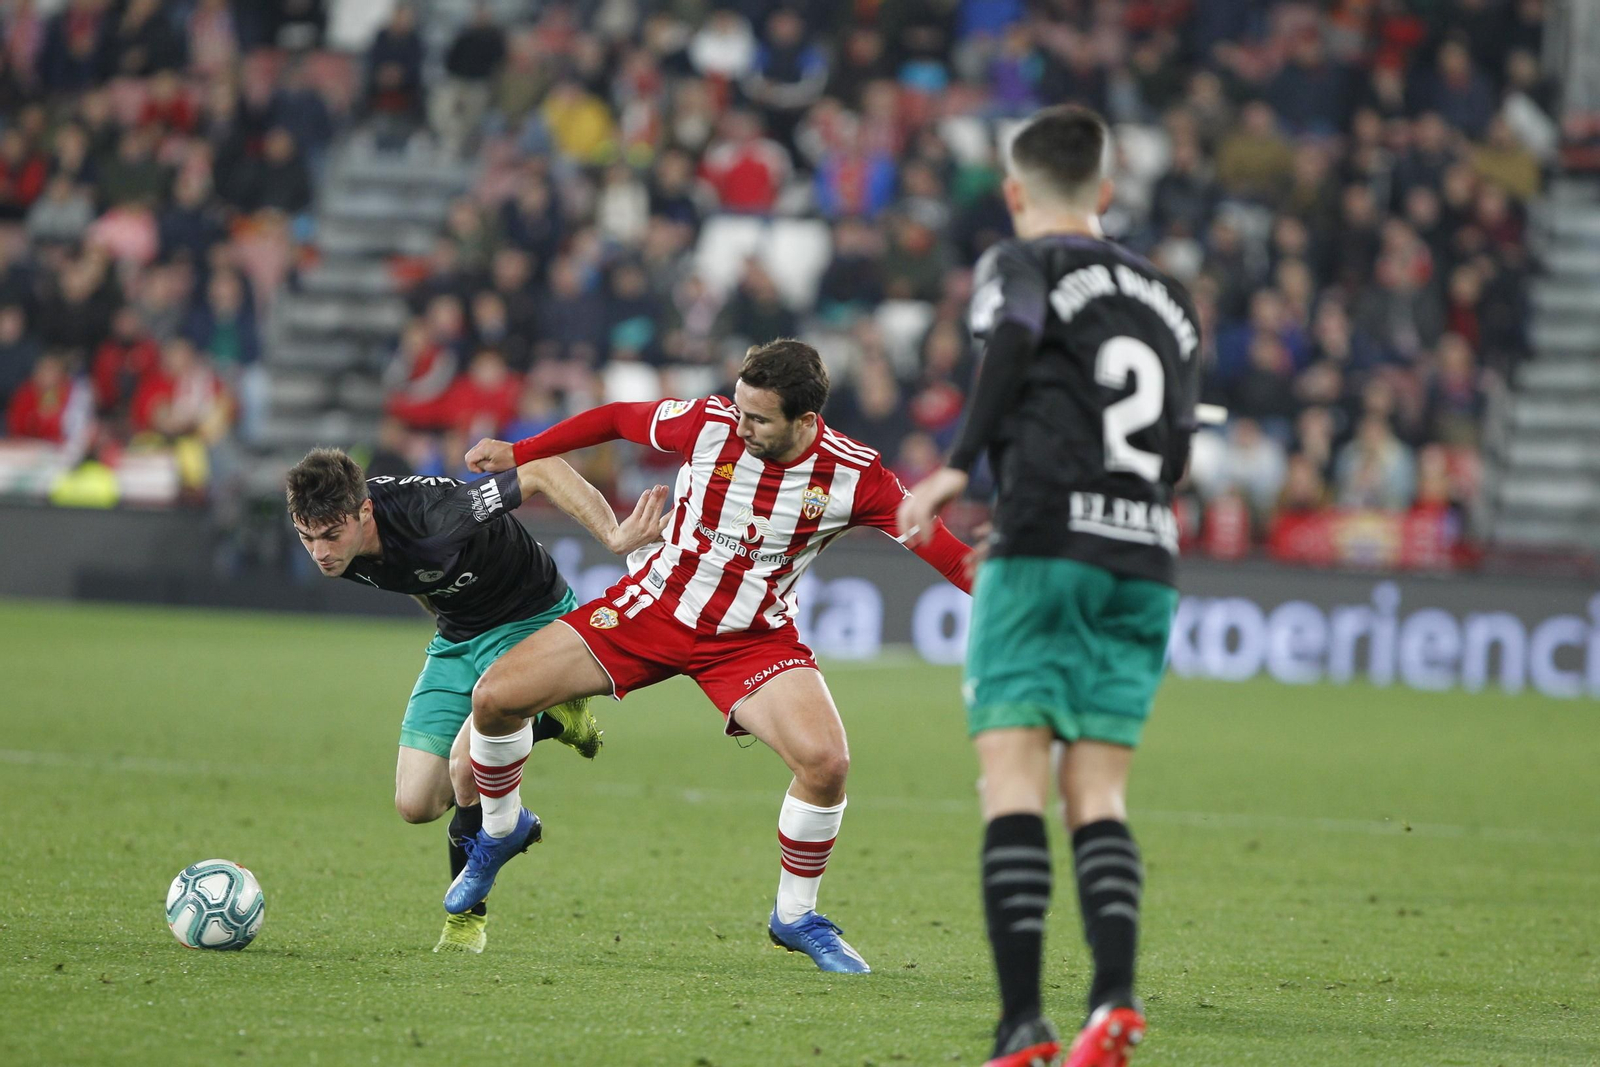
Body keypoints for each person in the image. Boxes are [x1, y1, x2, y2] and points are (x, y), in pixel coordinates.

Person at [449, 339, 974, 973]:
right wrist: (523, 451)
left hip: (751, 641)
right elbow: (616, 418)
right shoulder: (708, 422)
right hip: (652, 609)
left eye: (759, 418)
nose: (740, 424)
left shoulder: (855, 476)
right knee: (494, 698)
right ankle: (503, 828)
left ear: (806, 420)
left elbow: (946, 552)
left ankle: (796, 916)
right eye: (739, 407)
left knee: (826, 762)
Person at [898, 105, 1201, 1067]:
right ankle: (1113, 1000)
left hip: (1043, 550)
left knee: (1013, 781)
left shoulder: (1022, 261)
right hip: (1144, 559)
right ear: (1105, 191)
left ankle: (1023, 1024)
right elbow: (1178, 455)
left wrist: (959, 465)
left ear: (1014, 192)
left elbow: (1019, 333)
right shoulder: (1170, 297)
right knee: (1098, 792)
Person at [284, 448, 669, 954]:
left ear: (365, 512)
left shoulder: (436, 517)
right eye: (307, 537)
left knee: (467, 766)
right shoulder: (340, 540)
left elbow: (541, 470)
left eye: (331, 536)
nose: (320, 552)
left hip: (532, 623)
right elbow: (417, 573)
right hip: (459, 636)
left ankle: (465, 923)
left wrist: (615, 535)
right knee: (416, 804)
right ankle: (550, 719)